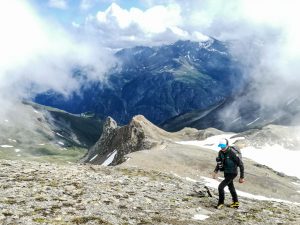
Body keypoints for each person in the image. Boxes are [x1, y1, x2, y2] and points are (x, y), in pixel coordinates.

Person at [213, 138, 245, 209]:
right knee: (231, 187)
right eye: (221, 146)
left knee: (220, 187)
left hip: (233, 173)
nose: (222, 148)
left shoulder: (232, 153)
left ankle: (220, 203)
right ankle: (236, 203)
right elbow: (219, 162)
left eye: (223, 146)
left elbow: (241, 165)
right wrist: (215, 171)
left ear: (227, 145)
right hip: (226, 172)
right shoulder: (220, 152)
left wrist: (242, 177)